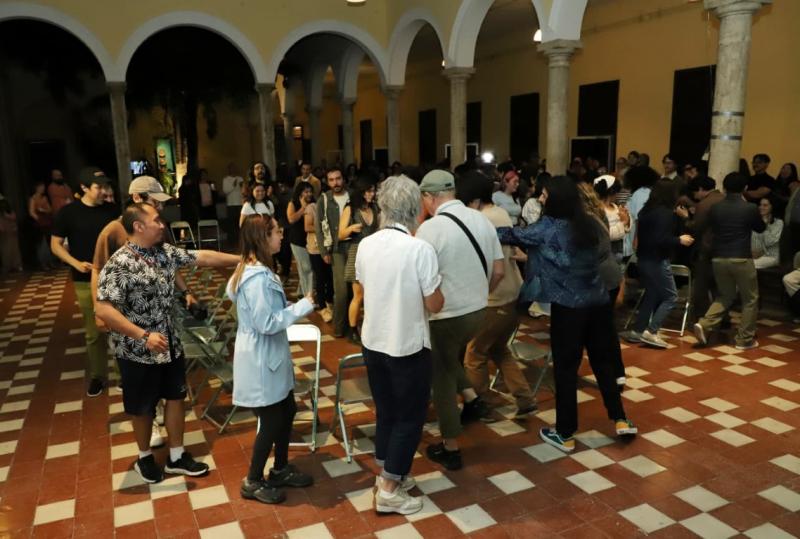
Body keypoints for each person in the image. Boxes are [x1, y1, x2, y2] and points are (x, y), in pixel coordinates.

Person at [95, 203, 239, 483]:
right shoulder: (120, 263)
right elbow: (103, 309)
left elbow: (202, 257)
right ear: (139, 227)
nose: (163, 225)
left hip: (170, 342)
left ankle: (176, 455)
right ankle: (145, 457)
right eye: (156, 220)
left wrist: (241, 259)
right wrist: (142, 335)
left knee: (175, 397)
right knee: (142, 407)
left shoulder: (164, 253)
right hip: (137, 350)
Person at [497, 177, 637, 453]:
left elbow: (510, 235)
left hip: (569, 307)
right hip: (597, 301)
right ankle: (620, 419)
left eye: (545, 195)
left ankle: (565, 433)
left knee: (565, 369)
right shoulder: (590, 222)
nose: (540, 199)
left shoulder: (548, 227)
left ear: (557, 199)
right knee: (602, 362)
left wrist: (479, 224)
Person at [356, 176, 443, 515]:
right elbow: (434, 304)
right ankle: (390, 489)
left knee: (387, 412)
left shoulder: (366, 245)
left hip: (374, 341)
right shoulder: (419, 249)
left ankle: (390, 470)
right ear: (415, 209)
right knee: (410, 417)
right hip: (407, 345)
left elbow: (366, 286)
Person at [415, 169, 505, 470]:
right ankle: (472, 396)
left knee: (440, 378)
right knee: (448, 358)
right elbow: (500, 271)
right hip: (479, 311)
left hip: (446, 316)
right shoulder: (482, 219)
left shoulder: (430, 229)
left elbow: (422, 280)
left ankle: (451, 447)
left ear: (429, 197)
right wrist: (479, 295)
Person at [92, 176, 190, 448]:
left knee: (171, 391)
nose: (159, 210)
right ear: (137, 199)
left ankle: (174, 448)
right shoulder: (114, 231)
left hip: (163, 325)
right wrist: (98, 310)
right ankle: (149, 437)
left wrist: (186, 291)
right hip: (134, 329)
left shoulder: (157, 228)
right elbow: (100, 269)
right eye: (154, 201)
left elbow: (173, 261)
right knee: (142, 397)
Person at [227, 215, 314, 505]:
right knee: (272, 419)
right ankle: (252, 480)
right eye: (277, 232)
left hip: (267, 354)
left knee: (287, 409)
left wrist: (283, 306)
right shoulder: (257, 278)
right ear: (263, 237)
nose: (281, 236)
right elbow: (266, 323)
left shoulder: (252, 269)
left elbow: (237, 297)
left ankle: (279, 468)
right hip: (262, 357)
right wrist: (303, 305)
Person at [459, 172, 537, 417]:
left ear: (473, 200)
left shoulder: (479, 220)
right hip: (515, 292)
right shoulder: (501, 213)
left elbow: (489, 266)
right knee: (498, 348)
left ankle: (479, 404)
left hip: (496, 297)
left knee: (474, 353)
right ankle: (525, 399)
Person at [51, 167, 119, 396]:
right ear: (83, 188)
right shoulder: (68, 213)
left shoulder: (112, 210)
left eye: (105, 187)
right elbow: (55, 245)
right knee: (94, 331)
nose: (103, 191)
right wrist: (75, 263)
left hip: (114, 277)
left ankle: (123, 374)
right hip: (83, 279)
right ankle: (98, 376)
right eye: (98, 187)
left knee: (120, 326)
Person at [694, 173, 766, 350]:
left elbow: (704, 228)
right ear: (745, 188)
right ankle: (744, 339)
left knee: (725, 295)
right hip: (741, 257)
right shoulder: (749, 208)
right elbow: (761, 227)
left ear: (724, 188)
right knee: (750, 299)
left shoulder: (716, 208)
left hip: (718, 258)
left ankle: (704, 324)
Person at [621, 180, 694, 348]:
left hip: (643, 258)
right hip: (657, 260)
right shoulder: (665, 213)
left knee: (652, 294)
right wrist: (679, 239)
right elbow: (660, 239)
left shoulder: (647, 211)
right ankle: (652, 331)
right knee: (671, 296)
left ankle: (638, 331)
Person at [339, 178, 378, 344]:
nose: (371, 194)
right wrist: (351, 228)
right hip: (357, 252)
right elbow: (340, 234)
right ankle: (353, 329)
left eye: (373, 190)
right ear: (361, 192)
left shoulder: (375, 208)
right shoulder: (351, 209)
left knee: (373, 293)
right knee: (358, 294)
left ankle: (371, 327)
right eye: (368, 191)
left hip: (375, 252)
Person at [315, 167, 350, 338]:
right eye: (331, 180)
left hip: (354, 246)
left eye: (338, 178)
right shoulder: (324, 200)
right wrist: (323, 251)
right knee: (341, 290)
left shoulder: (351, 196)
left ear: (343, 179)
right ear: (327, 182)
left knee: (355, 290)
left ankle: (351, 325)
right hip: (336, 249)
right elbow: (318, 226)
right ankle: (339, 327)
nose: (336, 183)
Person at [683, 176, 725, 318]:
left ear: (701, 189)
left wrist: (685, 217)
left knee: (701, 287)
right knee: (720, 288)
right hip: (724, 249)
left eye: (695, 193)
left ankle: (702, 319)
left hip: (707, 250)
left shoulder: (705, 203)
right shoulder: (724, 198)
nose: (695, 196)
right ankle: (721, 318)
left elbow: (696, 228)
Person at [304, 189, 333, 323]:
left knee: (330, 277)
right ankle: (322, 307)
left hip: (330, 247)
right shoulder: (312, 208)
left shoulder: (333, 208)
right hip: (315, 248)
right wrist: (325, 229)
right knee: (320, 278)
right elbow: (307, 226)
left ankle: (329, 303)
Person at [622, 166, 658, 260]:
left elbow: (641, 218)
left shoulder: (641, 193)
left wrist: (636, 240)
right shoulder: (644, 192)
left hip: (637, 241)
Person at [286, 183, 314, 299]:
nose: (308, 194)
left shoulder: (313, 203)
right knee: (307, 267)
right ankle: (308, 295)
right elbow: (291, 219)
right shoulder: (293, 203)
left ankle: (301, 292)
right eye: (305, 192)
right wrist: (303, 208)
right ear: (300, 192)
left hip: (310, 239)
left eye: (310, 191)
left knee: (305, 267)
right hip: (297, 240)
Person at [593, 175, 630, 263]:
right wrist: (623, 223)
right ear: (611, 192)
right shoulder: (599, 210)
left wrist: (627, 218)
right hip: (606, 252)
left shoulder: (615, 206)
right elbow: (605, 233)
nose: (617, 194)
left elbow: (626, 228)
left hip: (619, 249)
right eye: (616, 192)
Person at [28, 181, 55, 269]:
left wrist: (44, 211)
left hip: (46, 221)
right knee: (41, 243)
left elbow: (50, 209)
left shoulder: (44, 198)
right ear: (36, 188)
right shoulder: (33, 199)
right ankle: (43, 262)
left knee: (48, 242)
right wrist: (38, 219)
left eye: (43, 186)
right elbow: (31, 212)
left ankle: (50, 261)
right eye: (41, 187)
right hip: (39, 223)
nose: (42, 188)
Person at [751, 197, 783, 269]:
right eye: (760, 205)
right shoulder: (755, 221)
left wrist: (765, 225)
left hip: (770, 256)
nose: (761, 207)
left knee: (749, 265)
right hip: (754, 255)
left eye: (765, 205)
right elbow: (752, 239)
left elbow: (769, 242)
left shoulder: (778, 223)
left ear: (772, 207)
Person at [0, 197, 22, 274]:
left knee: (13, 249)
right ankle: (8, 266)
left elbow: (14, 217)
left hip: (11, 232)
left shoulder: (9, 212)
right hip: (6, 234)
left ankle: (16, 265)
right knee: (6, 249)